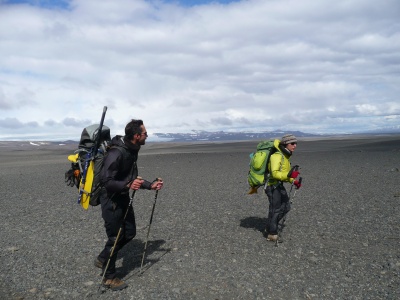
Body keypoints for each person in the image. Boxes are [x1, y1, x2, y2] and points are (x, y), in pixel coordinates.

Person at [95, 119, 163, 291]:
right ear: (136, 136)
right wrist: (126, 185)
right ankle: (109, 277)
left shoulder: (132, 150)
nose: (147, 135)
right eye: (145, 133)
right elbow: (106, 181)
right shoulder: (117, 153)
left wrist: (150, 185)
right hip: (111, 200)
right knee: (115, 237)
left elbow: (132, 178)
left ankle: (104, 257)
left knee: (130, 232)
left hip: (123, 197)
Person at [264, 134, 301, 242]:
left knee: (286, 207)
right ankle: (272, 234)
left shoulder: (285, 156)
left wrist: (293, 181)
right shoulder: (276, 156)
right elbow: (275, 173)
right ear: (285, 144)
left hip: (278, 185)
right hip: (271, 186)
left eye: (296, 143)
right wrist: (289, 176)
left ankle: (270, 225)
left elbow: (285, 174)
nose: (295, 146)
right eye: (292, 144)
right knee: (275, 209)